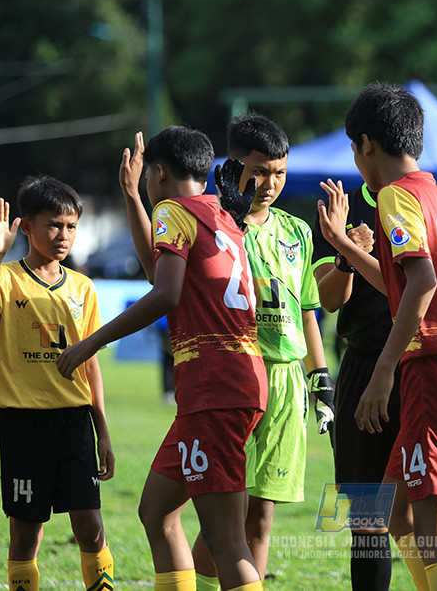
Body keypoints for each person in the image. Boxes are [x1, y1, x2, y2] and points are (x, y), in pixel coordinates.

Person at [58, 127, 267, 591]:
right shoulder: (220, 212)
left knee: (225, 537)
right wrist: (132, 197)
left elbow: (165, 293)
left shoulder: (173, 210)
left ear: (158, 172)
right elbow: (161, 271)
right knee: (156, 510)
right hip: (235, 380)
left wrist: (92, 342)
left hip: (214, 384)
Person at [335, 82, 437, 591]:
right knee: (397, 517)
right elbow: (407, 285)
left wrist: (383, 372)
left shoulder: (395, 198)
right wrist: (345, 245)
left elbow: (423, 284)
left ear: (365, 144)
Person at [190, 113, 333, 590]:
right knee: (220, 518)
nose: (270, 183)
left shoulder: (297, 231)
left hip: (286, 381)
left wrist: (321, 376)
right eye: (260, 171)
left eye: (279, 172)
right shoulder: (214, 223)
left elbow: (309, 309)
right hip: (234, 372)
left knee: (260, 519)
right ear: (234, 167)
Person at [0, 177, 115, 591]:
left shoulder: (83, 287)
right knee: (26, 532)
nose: (63, 236)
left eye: (71, 226)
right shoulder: (8, 278)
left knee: (90, 525)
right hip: (23, 425)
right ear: (26, 227)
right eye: (53, 225)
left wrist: (102, 430)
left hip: (75, 422)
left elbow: (91, 365)